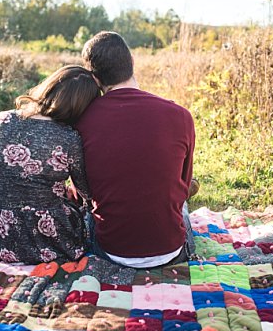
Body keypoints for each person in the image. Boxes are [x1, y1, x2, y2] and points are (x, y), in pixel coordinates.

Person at [75, 26, 195, 266]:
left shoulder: (82, 120)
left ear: (94, 78)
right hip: (170, 250)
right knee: (184, 205)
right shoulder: (180, 115)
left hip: (110, 250)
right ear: (132, 61)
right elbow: (184, 183)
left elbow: (83, 193)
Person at [0, 60, 97, 260]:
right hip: (52, 237)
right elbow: (86, 193)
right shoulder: (68, 137)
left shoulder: (1, 120)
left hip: (2, 235)